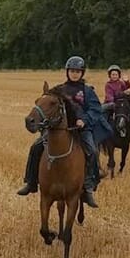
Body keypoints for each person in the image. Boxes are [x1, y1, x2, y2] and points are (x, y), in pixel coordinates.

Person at [16, 56, 112, 208]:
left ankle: (88, 187)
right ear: (67, 72)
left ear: (82, 73)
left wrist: (84, 120)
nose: (74, 74)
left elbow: (95, 110)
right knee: (36, 147)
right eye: (72, 71)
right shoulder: (60, 90)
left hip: (81, 129)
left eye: (77, 71)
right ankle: (31, 182)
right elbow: (48, 104)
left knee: (92, 151)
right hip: (60, 128)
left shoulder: (87, 91)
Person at [102, 64, 130, 138]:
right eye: (113, 74)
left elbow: (127, 87)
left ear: (119, 75)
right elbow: (111, 98)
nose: (114, 76)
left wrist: (127, 82)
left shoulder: (121, 83)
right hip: (111, 103)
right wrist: (123, 94)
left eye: (116, 74)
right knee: (103, 116)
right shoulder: (108, 85)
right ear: (109, 75)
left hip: (121, 103)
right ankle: (104, 131)